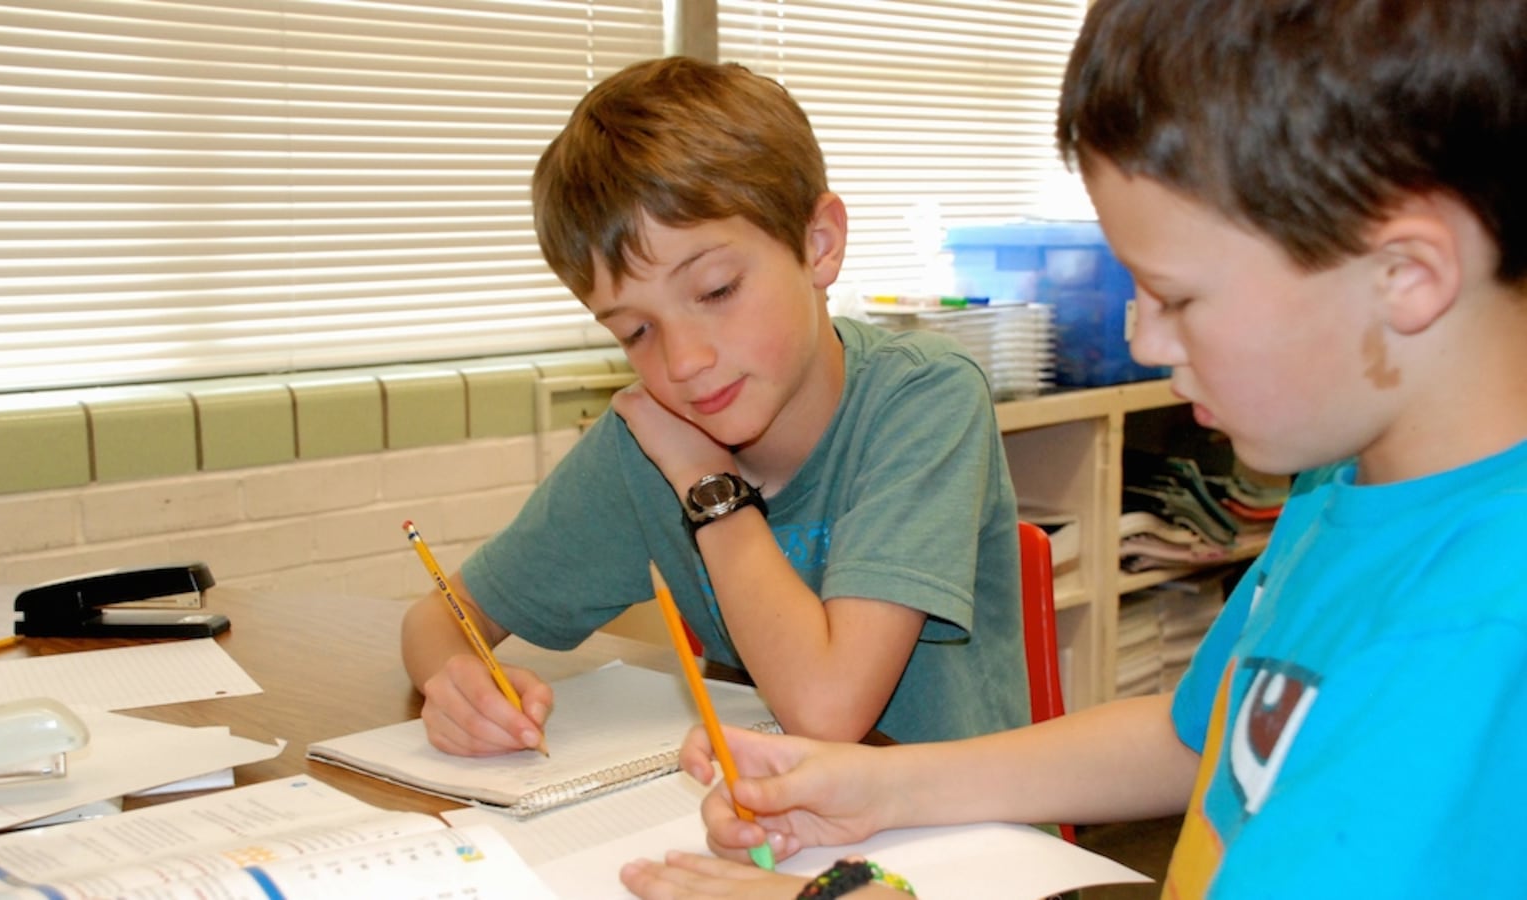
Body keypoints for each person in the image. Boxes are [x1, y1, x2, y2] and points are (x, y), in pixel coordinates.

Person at [616, 0, 1527, 897]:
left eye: (1177, 296)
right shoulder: (1348, 485)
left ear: (1406, 277)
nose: (1144, 337)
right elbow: (1199, 734)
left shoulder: (1476, 631)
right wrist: (880, 787)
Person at [399, 56, 1030, 757]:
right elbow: (443, 616)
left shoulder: (923, 398)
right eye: (636, 331)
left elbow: (826, 709)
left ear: (818, 245)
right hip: (777, 828)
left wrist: (709, 486)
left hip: (957, 840)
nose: (683, 362)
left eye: (718, 290)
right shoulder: (649, 440)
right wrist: (455, 681)